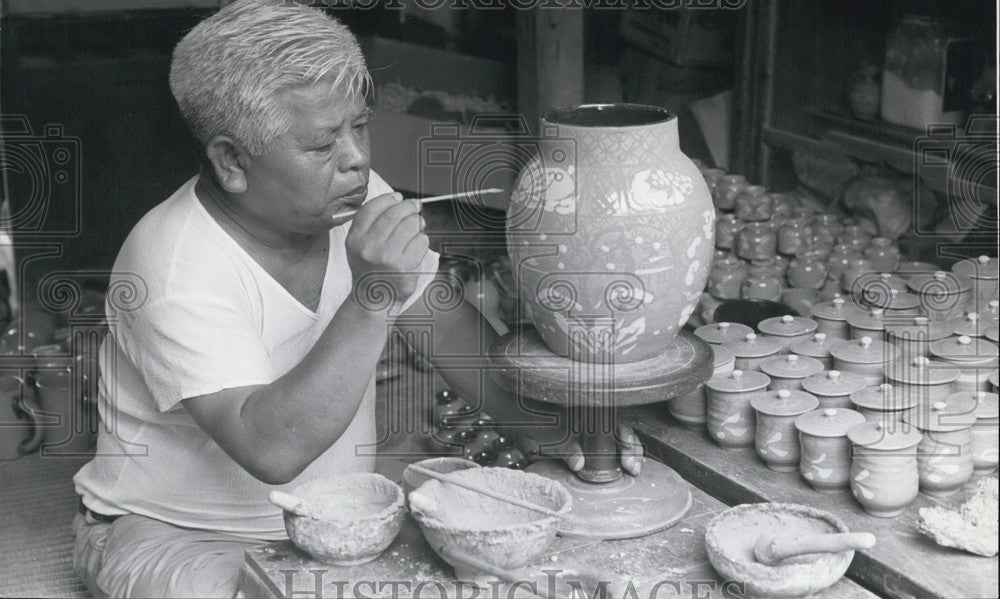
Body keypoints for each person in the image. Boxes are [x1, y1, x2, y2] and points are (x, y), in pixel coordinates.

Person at [71, 1, 642, 597]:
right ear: (232, 162)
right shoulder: (172, 265)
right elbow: (271, 448)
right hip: (182, 534)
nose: (359, 159)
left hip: (339, 518)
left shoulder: (351, 198)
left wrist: (558, 432)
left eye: (360, 125)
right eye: (323, 146)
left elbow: (444, 331)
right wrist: (372, 296)